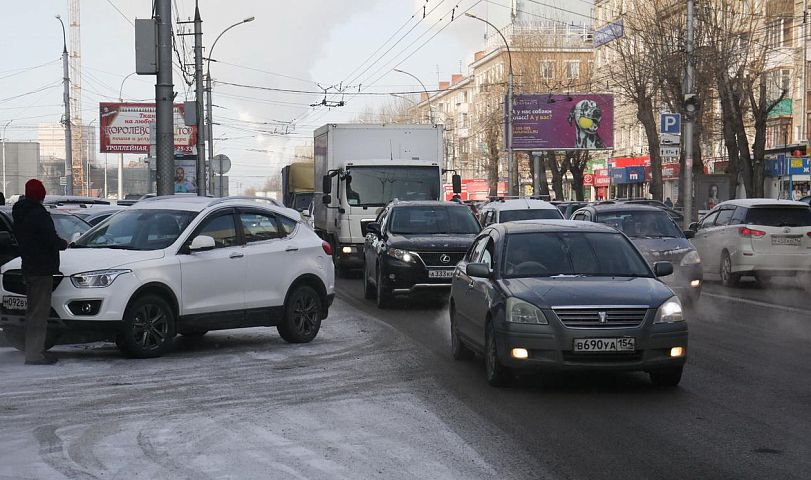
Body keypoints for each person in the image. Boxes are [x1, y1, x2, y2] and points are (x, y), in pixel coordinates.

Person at [12, 180, 68, 365]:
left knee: (32, 313)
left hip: (28, 267)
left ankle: (33, 350)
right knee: (40, 314)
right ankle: (35, 355)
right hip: (42, 268)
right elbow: (49, 238)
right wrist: (63, 244)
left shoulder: (20, 213)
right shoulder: (38, 214)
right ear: (40, 195)